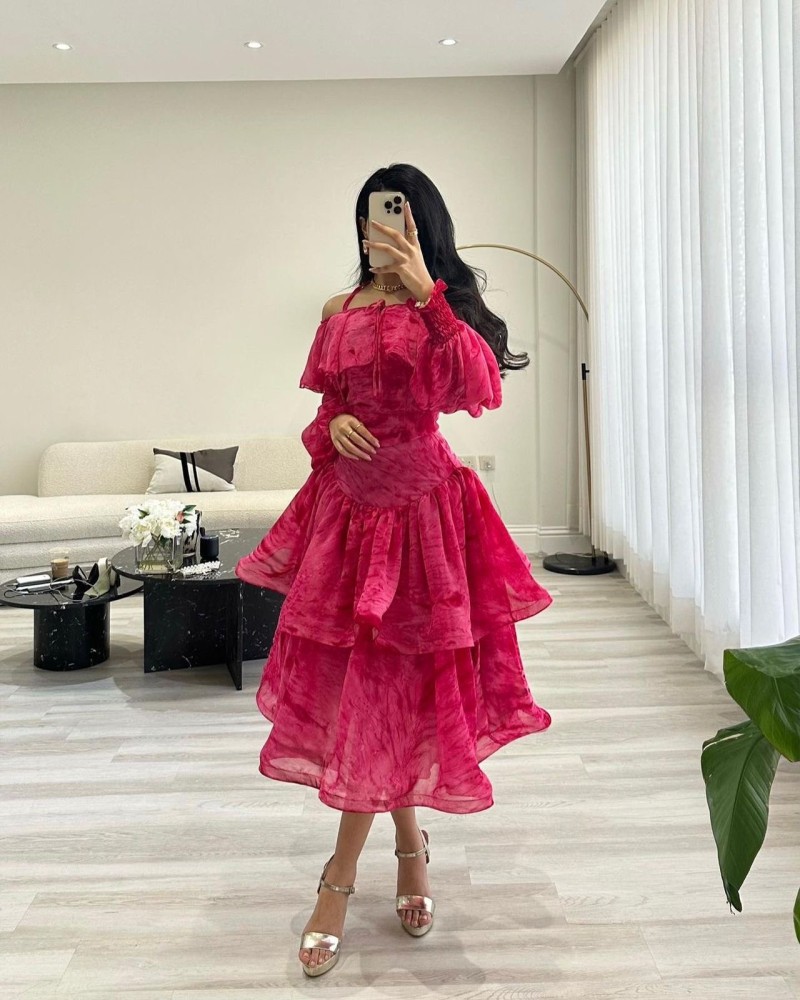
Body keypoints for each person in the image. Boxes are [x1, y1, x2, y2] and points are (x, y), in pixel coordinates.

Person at [235, 163, 553, 977]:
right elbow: (324, 413)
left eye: (398, 215)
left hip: (425, 522)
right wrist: (333, 426)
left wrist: (428, 295)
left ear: (422, 224)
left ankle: (338, 881)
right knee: (375, 690)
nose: (379, 228)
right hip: (348, 519)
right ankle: (411, 848)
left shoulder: (446, 308)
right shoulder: (336, 311)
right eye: (371, 216)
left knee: (391, 688)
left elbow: (477, 388)